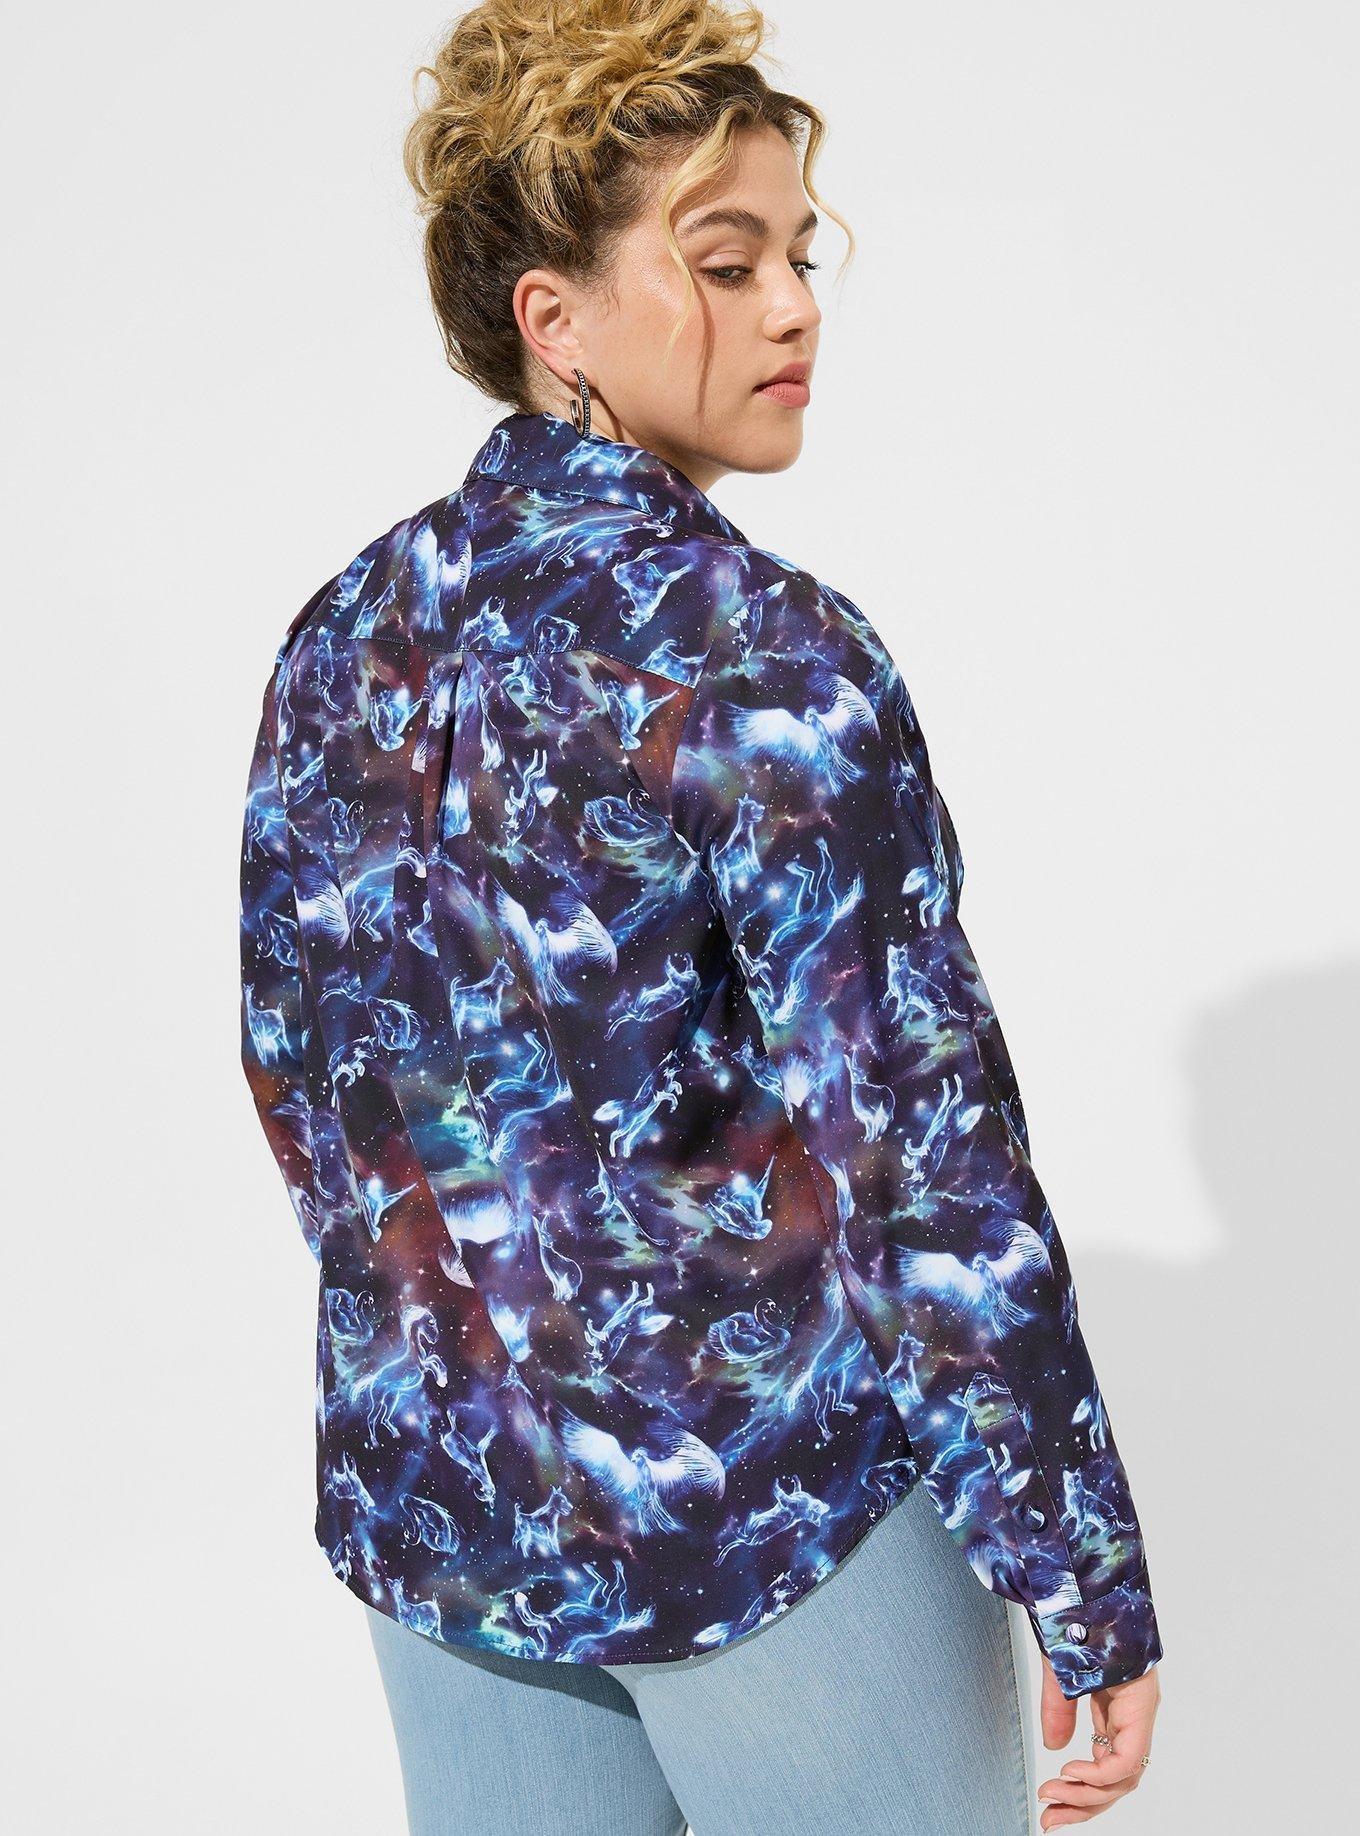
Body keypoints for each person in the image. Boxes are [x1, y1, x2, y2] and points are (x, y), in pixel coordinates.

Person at [237, 2, 1164, 1830]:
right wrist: (1075, 1561)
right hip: (771, 1527)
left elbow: (299, 1072)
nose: (795, 310)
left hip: (453, 1522)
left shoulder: (346, 634)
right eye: (726, 265)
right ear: (553, 318)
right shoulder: (766, 655)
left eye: (800, 257)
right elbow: (920, 1149)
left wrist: (478, 1350)